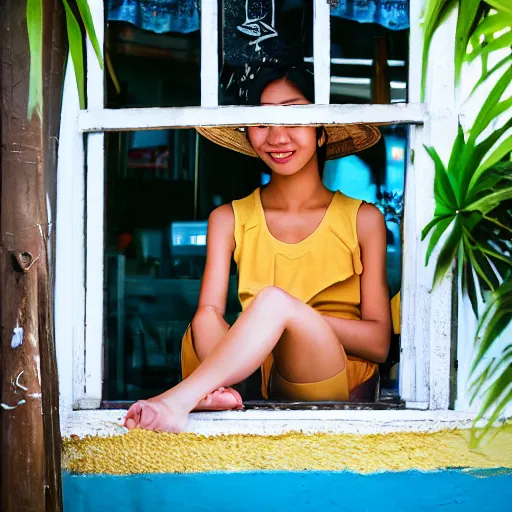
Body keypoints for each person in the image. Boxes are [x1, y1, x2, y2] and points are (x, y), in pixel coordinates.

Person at [124, 67, 391, 433]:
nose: (277, 137)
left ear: (322, 129)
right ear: (248, 131)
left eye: (294, 116)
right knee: (204, 318)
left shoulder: (363, 219)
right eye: (262, 121)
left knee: (273, 302)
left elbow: (378, 343)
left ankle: (177, 401)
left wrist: (286, 319)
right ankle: (222, 391)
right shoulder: (229, 218)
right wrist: (261, 329)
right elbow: (209, 316)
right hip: (251, 372)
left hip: (326, 372)